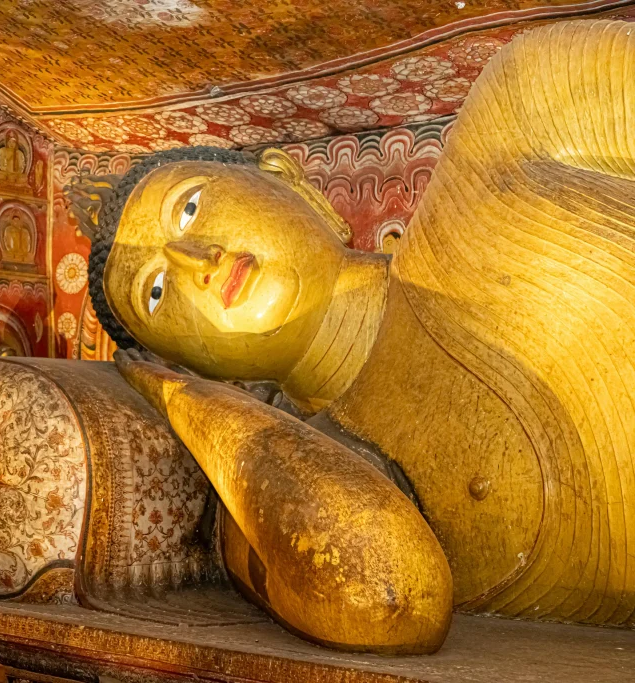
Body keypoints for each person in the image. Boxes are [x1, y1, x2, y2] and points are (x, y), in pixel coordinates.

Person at [87, 20, 635, 652]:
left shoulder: (514, 117)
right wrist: (174, 393)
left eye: (189, 207)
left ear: (289, 180)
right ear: (190, 361)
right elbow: (387, 597)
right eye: (155, 293)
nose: (194, 259)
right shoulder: (287, 481)